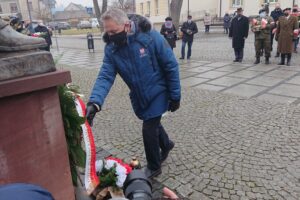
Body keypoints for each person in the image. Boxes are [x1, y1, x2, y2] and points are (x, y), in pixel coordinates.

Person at [86, 9, 181, 179]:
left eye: (114, 31)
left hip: (159, 89)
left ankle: (154, 166)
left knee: (149, 127)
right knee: (152, 120)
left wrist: (175, 95)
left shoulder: (150, 37)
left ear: (127, 25)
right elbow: (105, 75)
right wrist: (94, 102)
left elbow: (171, 65)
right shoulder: (112, 49)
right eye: (107, 32)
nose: (110, 36)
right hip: (140, 94)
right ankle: (166, 144)